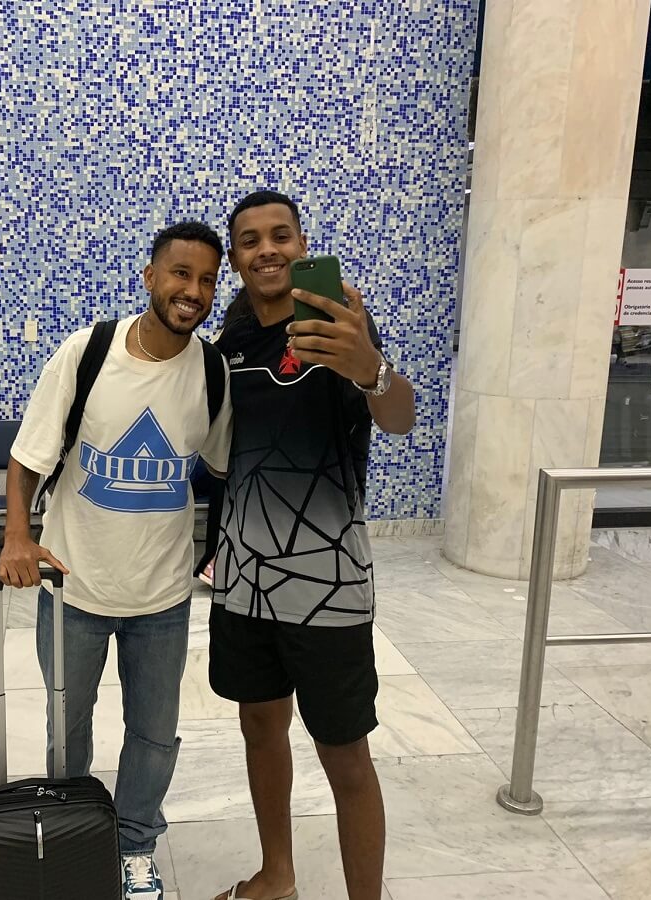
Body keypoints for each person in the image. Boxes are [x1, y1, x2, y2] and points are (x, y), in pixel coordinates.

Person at [0, 221, 233, 900]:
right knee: (67, 736)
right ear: (150, 277)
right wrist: (17, 537)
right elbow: (26, 457)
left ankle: (135, 846)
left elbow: (222, 469)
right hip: (73, 591)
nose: (192, 291)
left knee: (154, 737)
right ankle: (74, 842)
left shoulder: (212, 371)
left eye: (207, 280)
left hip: (161, 600)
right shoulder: (89, 352)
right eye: (180, 274)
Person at [209, 191, 416, 900]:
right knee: (260, 726)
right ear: (234, 258)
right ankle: (278, 876)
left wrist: (371, 368)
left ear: (302, 245)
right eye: (249, 240)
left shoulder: (340, 325)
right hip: (242, 579)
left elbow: (400, 418)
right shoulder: (229, 342)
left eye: (280, 235)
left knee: (345, 756)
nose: (266, 248)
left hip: (328, 581)